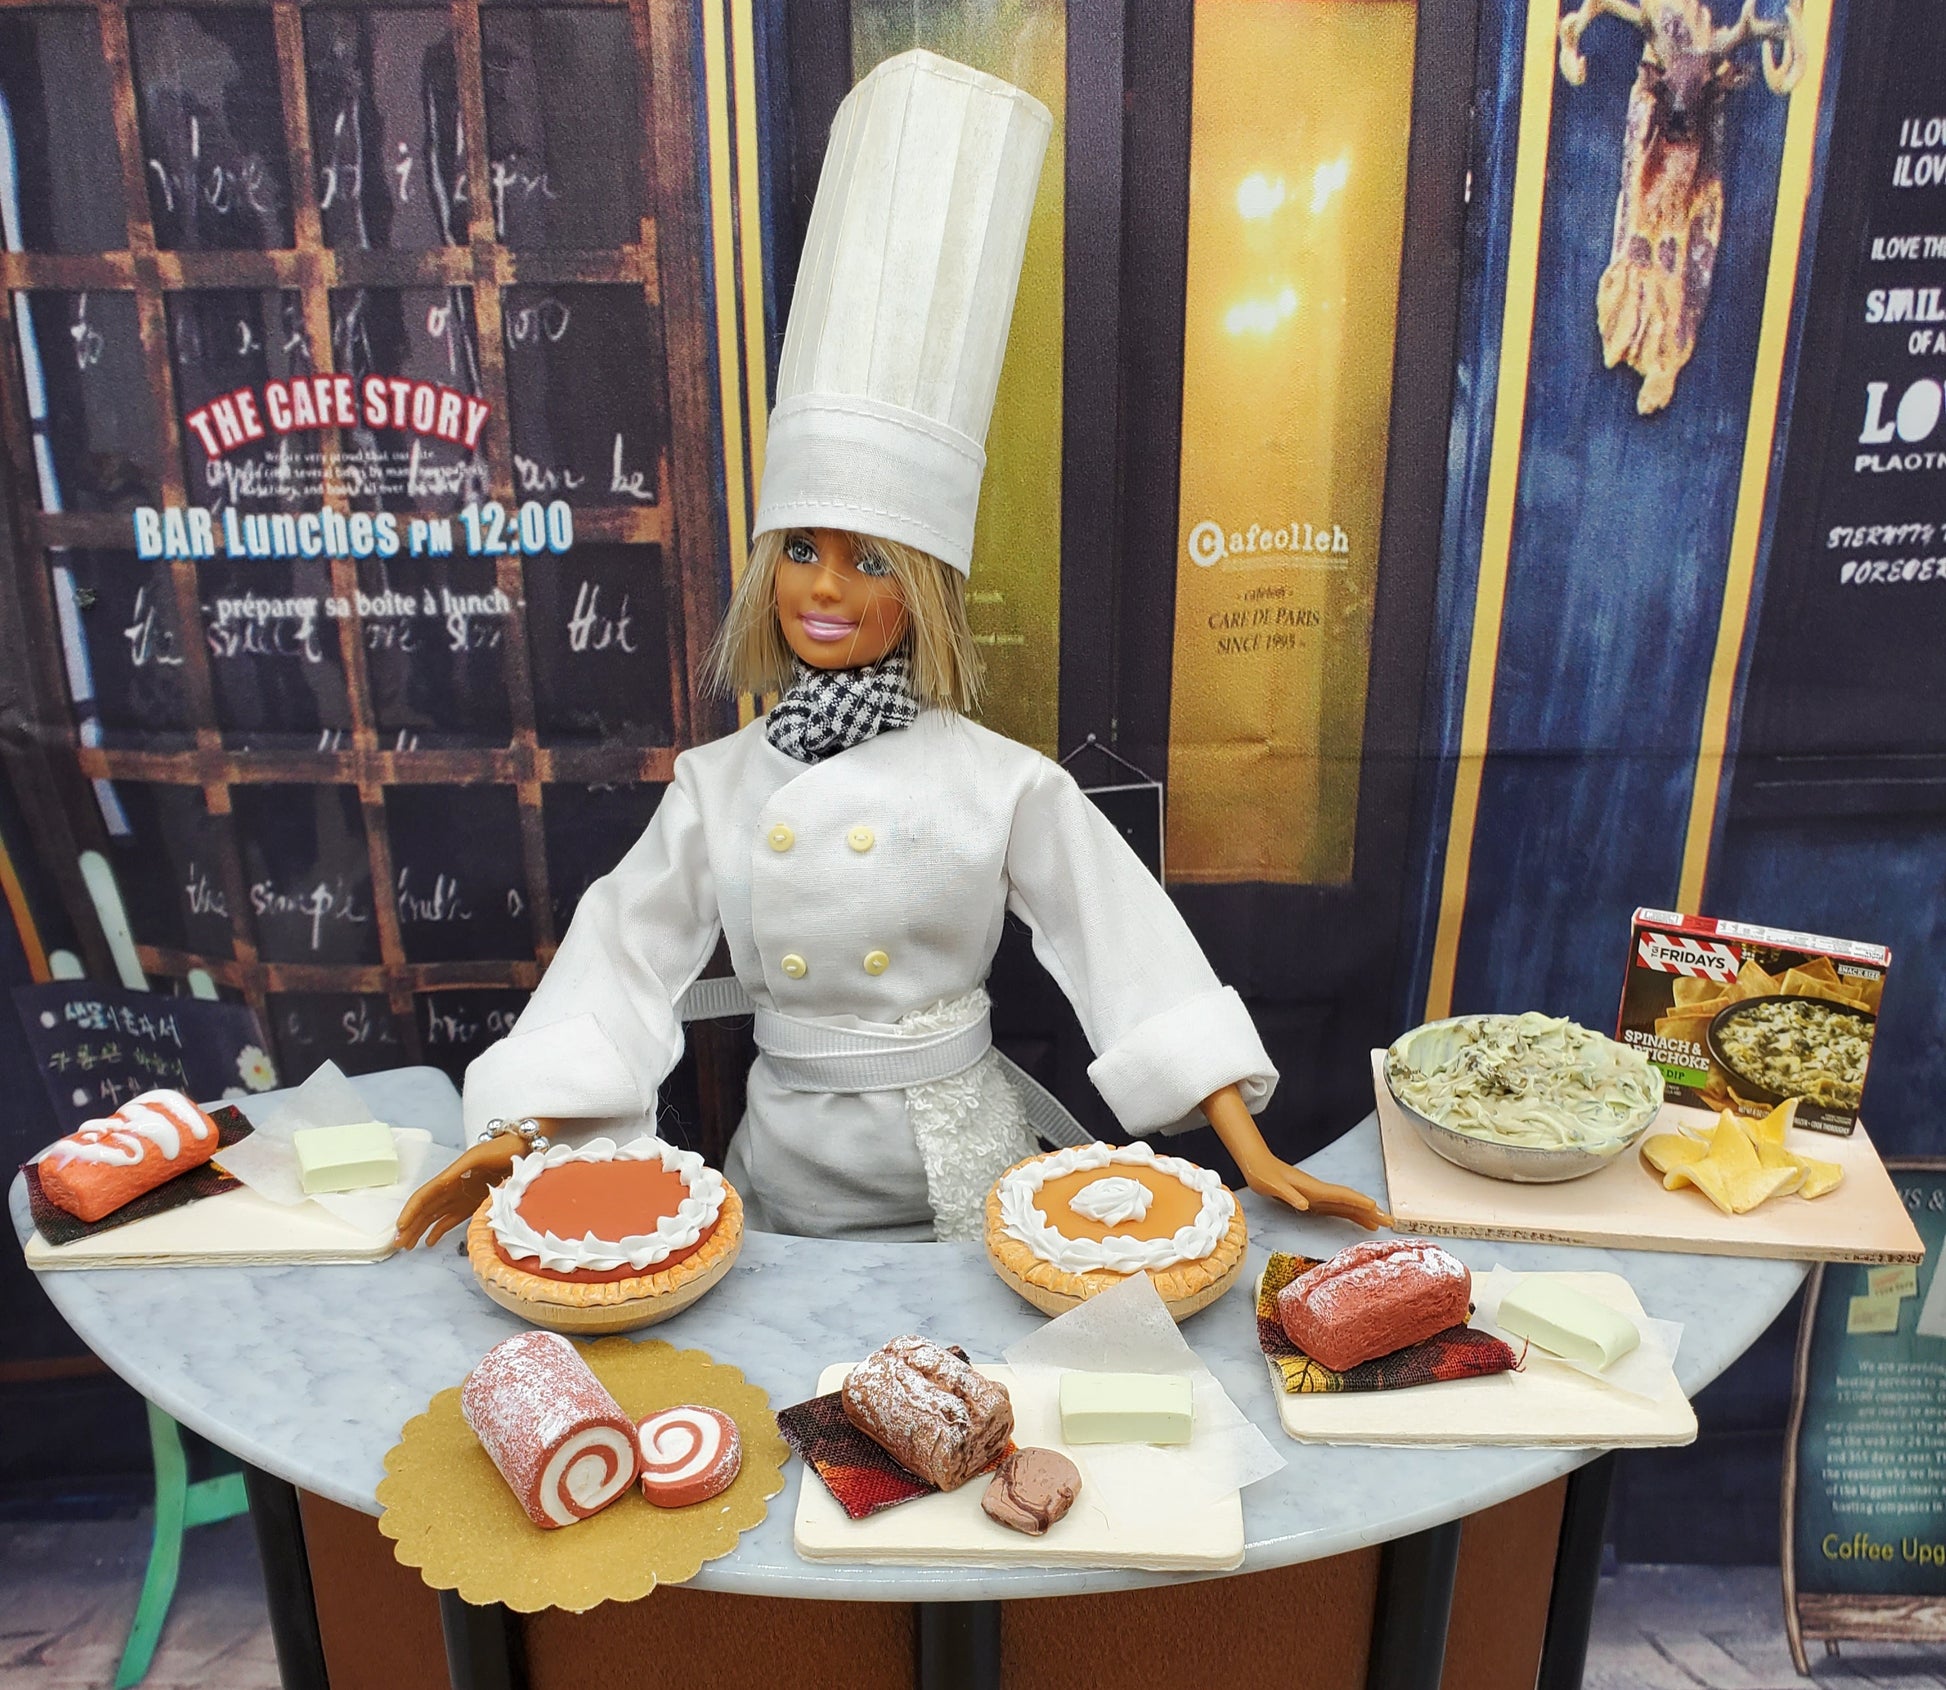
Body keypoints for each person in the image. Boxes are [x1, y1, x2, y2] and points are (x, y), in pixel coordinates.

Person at [417, 50, 1382, 1243]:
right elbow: (623, 955)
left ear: (922, 592)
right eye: (802, 550)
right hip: (784, 1160)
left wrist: (1251, 1148)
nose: (826, 587)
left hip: (954, 1158)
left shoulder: (996, 778)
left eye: (872, 560)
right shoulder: (720, 785)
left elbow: (1124, 946)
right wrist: (516, 1137)